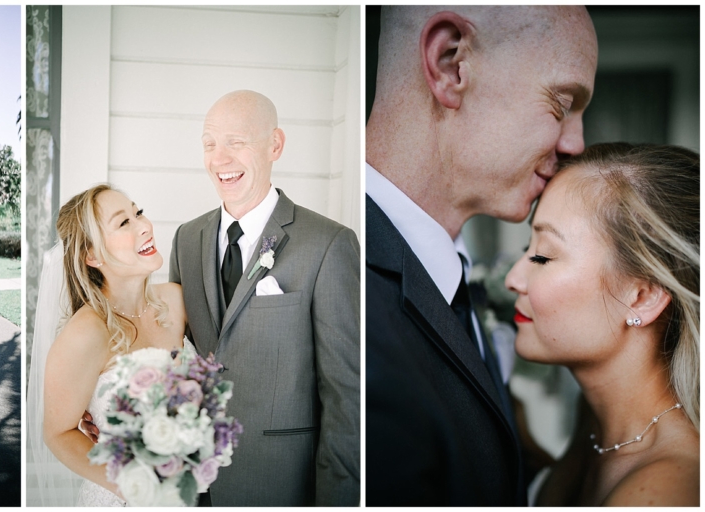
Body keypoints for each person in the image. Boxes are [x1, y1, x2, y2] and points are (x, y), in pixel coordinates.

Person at [365, 6, 597, 505]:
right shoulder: (354, 297)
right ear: (451, 64)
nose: (576, 143)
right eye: (562, 102)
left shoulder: (456, 279)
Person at [169, 90, 360, 506]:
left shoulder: (329, 245)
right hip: (193, 488)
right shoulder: (186, 239)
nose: (219, 159)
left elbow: (347, 398)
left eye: (236, 142)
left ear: (275, 145)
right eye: (209, 144)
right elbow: (169, 356)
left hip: (281, 486)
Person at [505, 143, 699, 506]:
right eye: (525, 250)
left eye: (543, 256)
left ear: (642, 297)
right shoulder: (597, 423)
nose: (513, 279)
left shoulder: (664, 491)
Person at [35, 184, 190, 506]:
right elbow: (58, 433)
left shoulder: (177, 301)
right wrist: (135, 486)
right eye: (124, 223)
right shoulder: (86, 333)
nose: (145, 226)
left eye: (138, 213)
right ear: (91, 255)